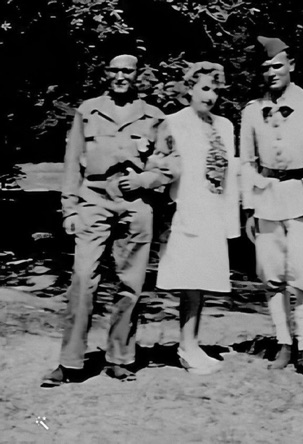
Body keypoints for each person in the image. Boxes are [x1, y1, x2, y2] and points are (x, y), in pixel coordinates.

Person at [42, 38, 179, 387]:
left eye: (127, 71)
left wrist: (144, 180)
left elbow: (169, 165)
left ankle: (120, 358)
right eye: (114, 70)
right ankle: (70, 362)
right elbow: (72, 164)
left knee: (130, 284)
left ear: (137, 75)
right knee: (82, 280)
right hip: (93, 200)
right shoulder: (87, 111)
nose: (120, 76)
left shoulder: (154, 117)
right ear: (106, 73)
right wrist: (69, 209)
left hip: (136, 206)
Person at [239, 36, 303, 381]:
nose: (271, 72)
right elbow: (246, 162)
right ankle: (284, 343)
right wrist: (249, 207)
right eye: (265, 68)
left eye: (277, 66)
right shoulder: (252, 110)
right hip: (268, 199)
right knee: (272, 278)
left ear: (291, 66)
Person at [155, 61, 240, 375]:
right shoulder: (173, 123)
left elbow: (230, 177)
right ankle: (185, 347)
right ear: (189, 89)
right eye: (204, 88)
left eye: (216, 90)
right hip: (185, 211)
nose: (211, 96)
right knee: (189, 281)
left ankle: (191, 344)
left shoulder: (225, 126)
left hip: (212, 212)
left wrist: (230, 222)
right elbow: (161, 169)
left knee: (202, 281)